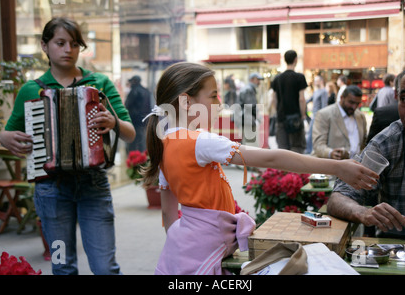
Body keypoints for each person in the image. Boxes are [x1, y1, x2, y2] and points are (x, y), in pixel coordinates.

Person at [141, 62, 378, 275]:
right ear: (185, 101)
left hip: (184, 248)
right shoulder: (200, 141)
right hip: (206, 248)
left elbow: (168, 214)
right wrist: (337, 168)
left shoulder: (166, 142)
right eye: (213, 96)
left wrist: (182, 243)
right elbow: (272, 159)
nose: (219, 103)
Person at [0, 17, 136, 275]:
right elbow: (7, 133)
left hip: (93, 186)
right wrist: (4, 138)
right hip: (51, 191)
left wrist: (113, 120)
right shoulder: (31, 90)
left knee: (106, 268)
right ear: (45, 45)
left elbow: (129, 133)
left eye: (74, 44)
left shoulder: (100, 84)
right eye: (60, 43)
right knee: (63, 267)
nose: (68, 50)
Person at [327, 57, 405, 239]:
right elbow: (338, 198)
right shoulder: (388, 143)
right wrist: (364, 213)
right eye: (404, 99)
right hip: (400, 257)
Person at [312, 85, 367, 160]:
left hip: (355, 165)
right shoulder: (324, 114)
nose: (354, 107)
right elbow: (318, 145)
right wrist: (331, 153)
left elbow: (363, 144)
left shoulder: (360, 116)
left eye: (357, 104)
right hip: (332, 166)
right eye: (351, 102)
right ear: (342, 98)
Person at [272, 50, 307, 153]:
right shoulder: (299, 77)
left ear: (285, 60)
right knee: (297, 147)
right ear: (296, 60)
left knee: (283, 148)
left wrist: (277, 111)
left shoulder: (277, 78)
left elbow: (274, 99)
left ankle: (284, 169)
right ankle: (294, 169)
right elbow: (301, 99)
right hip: (295, 117)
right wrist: (303, 114)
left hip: (281, 117)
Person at [366, 73, 401, 143]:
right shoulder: (391, 92)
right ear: (391, 81)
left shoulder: (381, 90)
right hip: (388, 119)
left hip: (379, 117)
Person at [125, 75, 153, 153]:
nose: (130, 83)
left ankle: (133, 158)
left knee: (132, 139)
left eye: (131, 82)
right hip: (144, 119)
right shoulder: (147, 91)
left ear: (134, 81)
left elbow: (127, 105)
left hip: (134, 119)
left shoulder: (134, 91)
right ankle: (143, 157)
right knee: (142, 139)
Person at [305, 75, 328, 154]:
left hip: (318, 116)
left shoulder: (324, 91)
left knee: (312, 133)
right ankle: (309, 149)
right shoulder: (316, 91)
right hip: (314, 115)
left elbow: (324, 105)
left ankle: (309, 150)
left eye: (316, 80)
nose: (315, 82)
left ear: (321, 81)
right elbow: (309, 100)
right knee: (310, 133)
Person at [238, 72, 263, 145]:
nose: (259, 82)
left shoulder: (248, 89)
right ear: (252, 80)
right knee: (251, 145)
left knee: (248, 144)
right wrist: (256, 118)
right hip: (248, 121)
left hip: (246, 120)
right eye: (257, 79)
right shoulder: (249, 90)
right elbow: (250, 106)